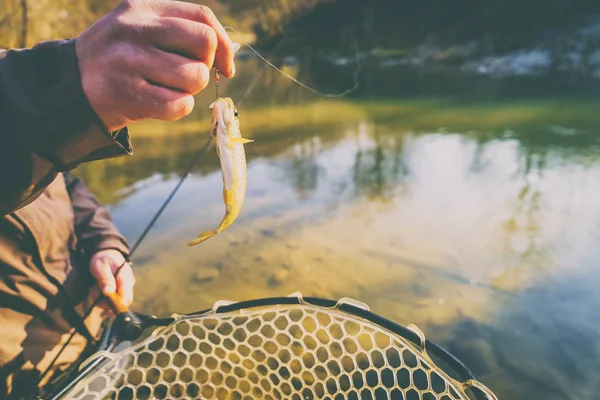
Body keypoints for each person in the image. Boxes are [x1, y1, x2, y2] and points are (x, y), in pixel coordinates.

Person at [0, 0, 237, 398]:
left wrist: (104, 244)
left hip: (96, 338)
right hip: (22, 380)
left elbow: (69, 188)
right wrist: (61, 86)